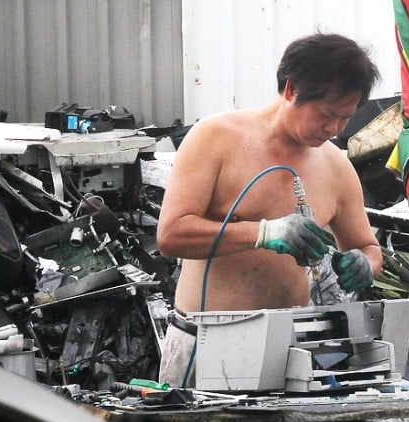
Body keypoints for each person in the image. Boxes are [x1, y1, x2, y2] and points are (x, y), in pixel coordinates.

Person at [156, 32, 383, 387]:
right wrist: (263, 233)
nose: (334, 128)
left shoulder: (336, 166)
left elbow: (368, 247)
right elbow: (171, 235)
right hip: (203, 344)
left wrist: (363, 264)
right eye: (326, 114)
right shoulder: (215, 138)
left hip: (289, 351)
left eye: (345, 118)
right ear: (292, 90)